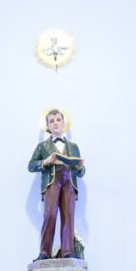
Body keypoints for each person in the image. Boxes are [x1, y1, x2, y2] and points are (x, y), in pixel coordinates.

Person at [28, 108, 85, 261]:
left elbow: (82, 172)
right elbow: (31, 166)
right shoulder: (42, 147)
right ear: (47, 126)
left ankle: (68, 252)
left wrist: (80, 167)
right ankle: (44, 252)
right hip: (52, 181)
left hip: (69, 181)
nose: (55, 123)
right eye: (51, 121)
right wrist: (46, 161)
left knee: (68, 216)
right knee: (50, 215)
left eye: (58, 119)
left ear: (63, 122)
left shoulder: (73, 147)